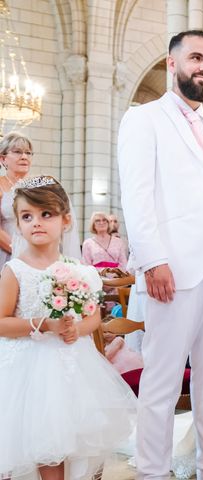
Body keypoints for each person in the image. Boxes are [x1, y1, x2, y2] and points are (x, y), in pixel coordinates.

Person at [118, 29, 203, 480]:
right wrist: (152, 259)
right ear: (172, 63)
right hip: (171, 270)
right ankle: (152, 472)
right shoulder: (144, 119)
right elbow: (137, 198)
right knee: (162, 380)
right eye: (196, 58)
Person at [0, 175, 136, 480]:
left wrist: (79, 329)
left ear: (66, 220)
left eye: (46, 214)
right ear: (18, 224)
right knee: (35, 448)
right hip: (26, 373)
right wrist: (43, 324)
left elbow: (94, 316)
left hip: (72, 369)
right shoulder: (15, 271)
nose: (36, 222)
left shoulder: (81, 271)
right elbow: (1, 322)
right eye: (27, 216)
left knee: (73, 446)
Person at [0, 132, 34, 269]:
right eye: (17, 152)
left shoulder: (37, 186)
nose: (24, 157)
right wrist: (21, 253)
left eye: (28, 153)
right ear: (3, 159)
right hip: (7, 252)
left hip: (36, 252)